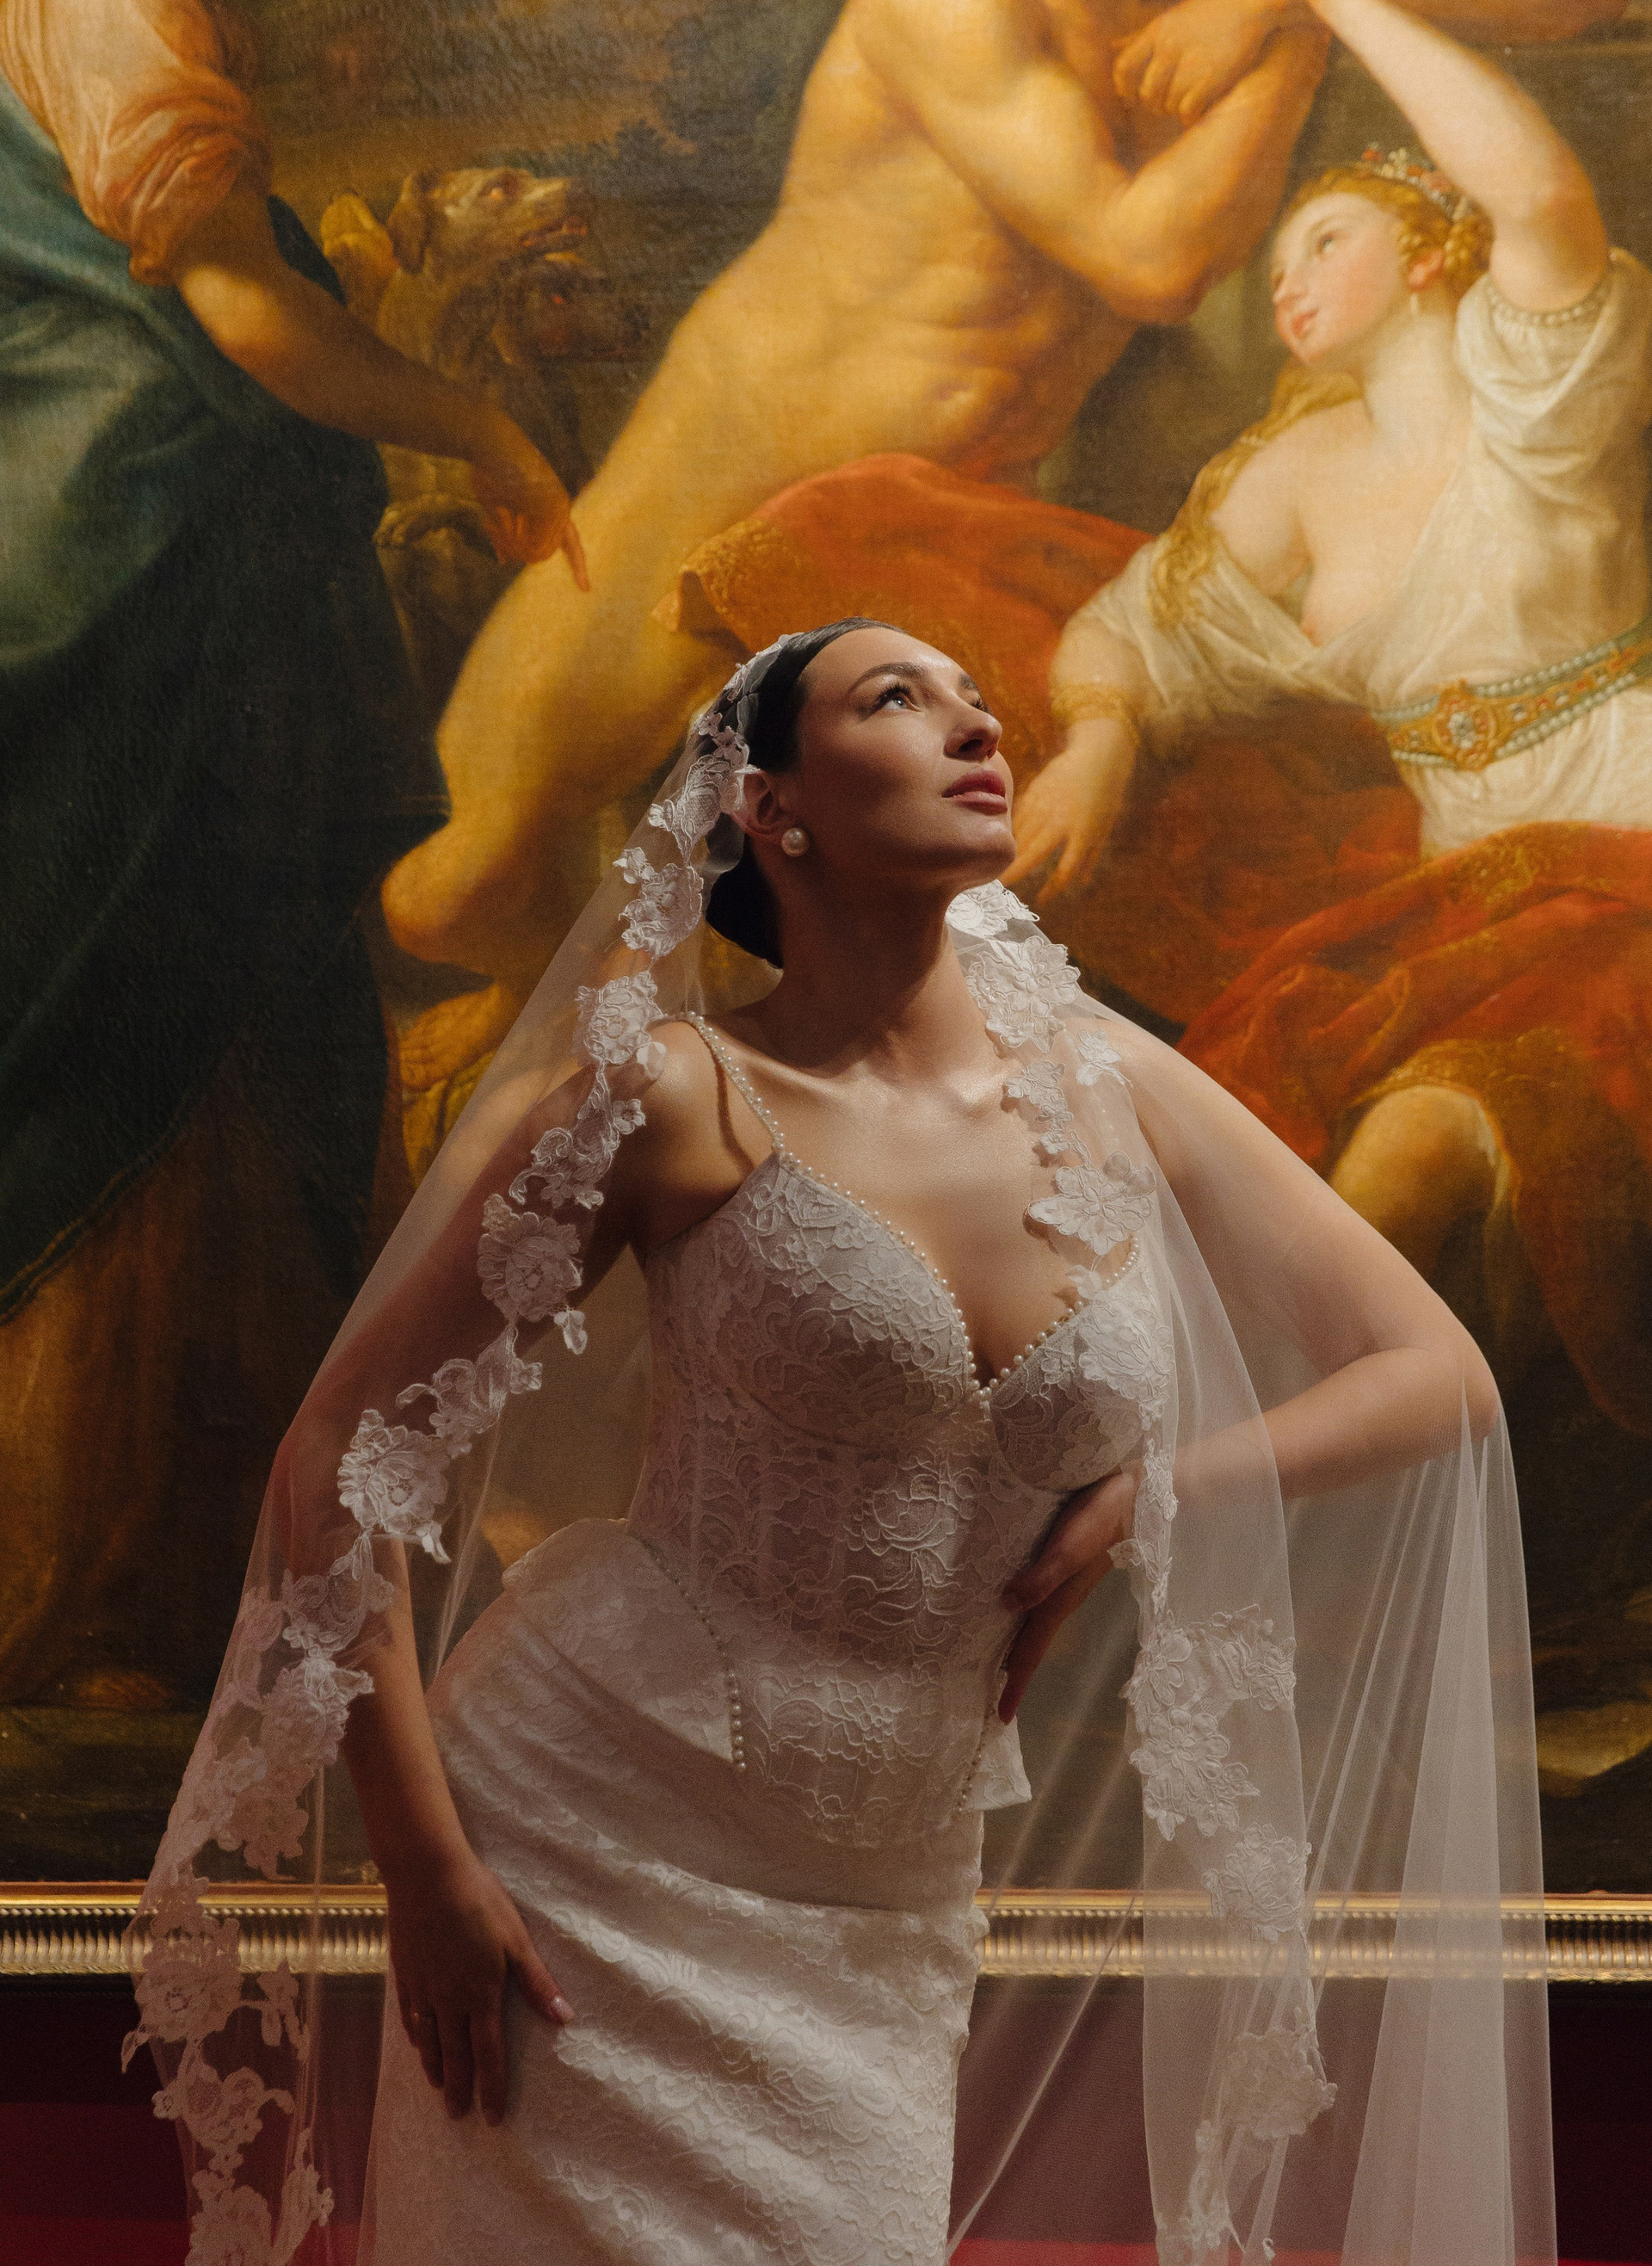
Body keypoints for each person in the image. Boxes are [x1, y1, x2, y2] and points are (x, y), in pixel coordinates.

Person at [132, 621, 1548, 2266]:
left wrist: (1149, 1494)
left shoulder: (1111, 1088)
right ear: (773, 808)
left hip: (884, 1907)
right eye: (898, 700)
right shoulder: (671, 1095)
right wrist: (426, 1869)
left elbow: (1434, 1373)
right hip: (580, 1844)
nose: (979, 725)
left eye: (977, 699)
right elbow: (337, 1462)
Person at [379, 0, 1623, 993]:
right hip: (745, 458)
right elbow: (1151, 262)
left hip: (945, 511)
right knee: (470, 877)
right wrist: (1301, 23)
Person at [0, 0, 584, 1705]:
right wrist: (473, 423)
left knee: (89, 1028)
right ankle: (147, 1577)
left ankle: (139, 1577)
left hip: (43, 548)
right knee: (184, 1042)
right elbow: (248, 312)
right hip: (157, 579)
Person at [1011, 0, 1652, 1427]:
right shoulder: (1293, 478)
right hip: (1460, 890)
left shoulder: (1534, 398)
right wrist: (1100, 737)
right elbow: (1134, 632)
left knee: (1403, 1169)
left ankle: (1316, 1504)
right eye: (1281, 259)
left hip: (1634, 855)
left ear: (1430, 253)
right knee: (1253, 1198)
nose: (1289, 282)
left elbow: (1539, 200)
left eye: (1330, 242)